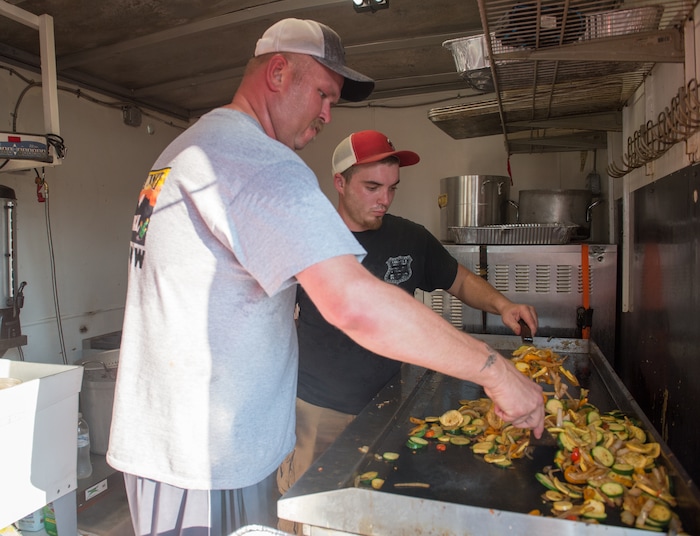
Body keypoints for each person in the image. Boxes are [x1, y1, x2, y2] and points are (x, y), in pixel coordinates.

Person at [107, 18, 544, 536]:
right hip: (203, 461)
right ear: (277, 72)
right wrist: (495, 371)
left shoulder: (191, 149)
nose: (325, 113)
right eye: (322, 93)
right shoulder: (259, 162)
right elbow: (354, 304)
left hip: (180, 448)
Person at [277, 130, 540, 503]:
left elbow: (459, 279)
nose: (384, 200)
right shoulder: (310, 238)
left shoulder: (409, 237)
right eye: (372, 187)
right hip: (319, 412)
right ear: (340, 182)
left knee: (371, 507)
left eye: (392, 188)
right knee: (309, 508)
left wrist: (503, 305)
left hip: (387, 407)